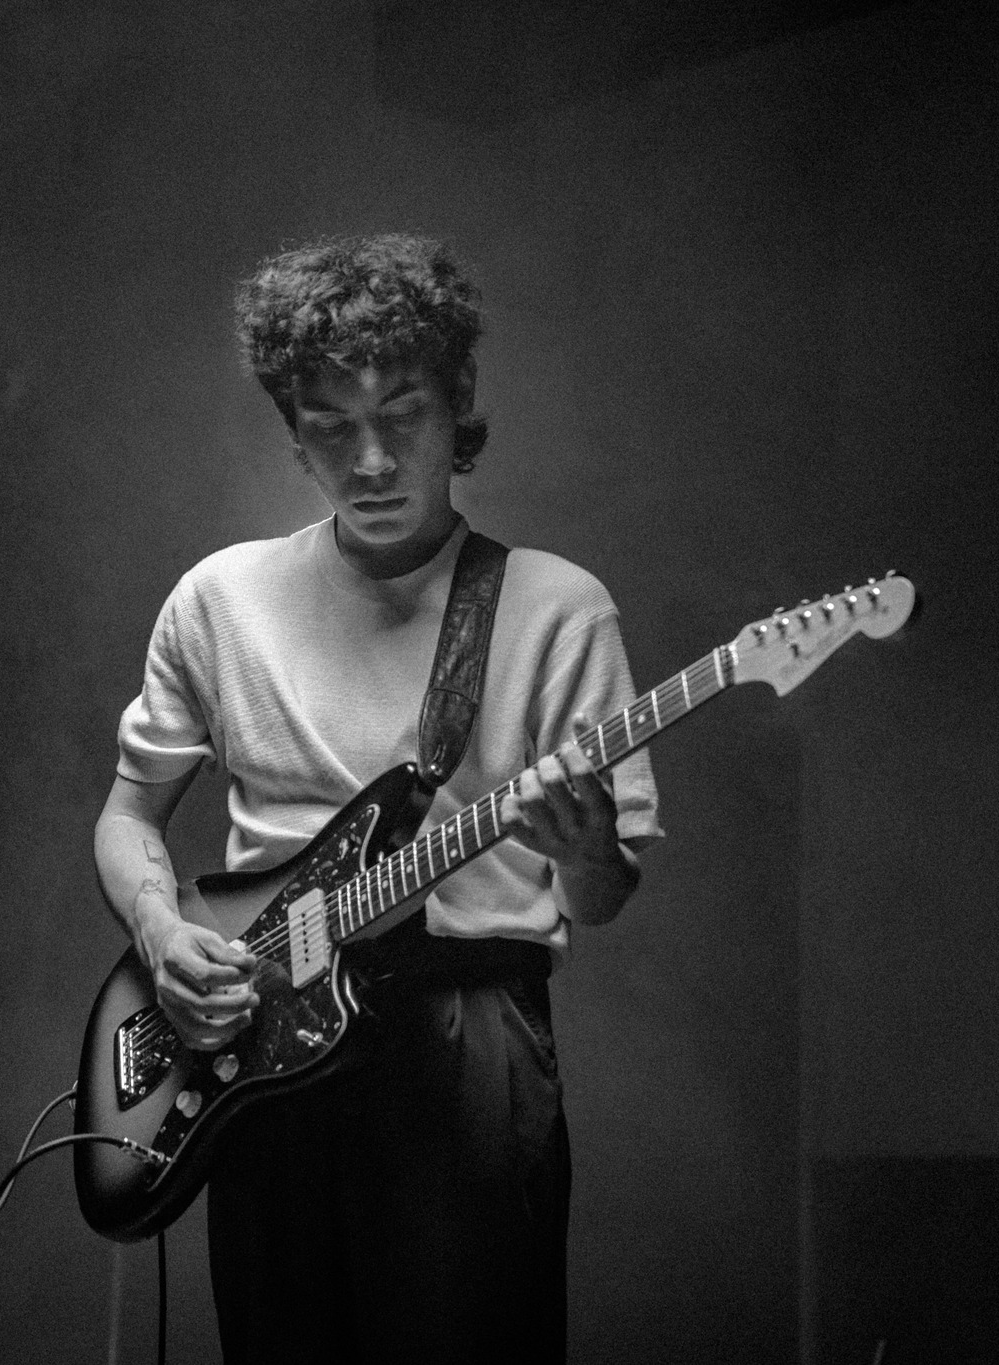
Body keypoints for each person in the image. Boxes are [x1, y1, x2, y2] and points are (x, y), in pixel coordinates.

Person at [92, 233, 663, 1363]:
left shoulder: (557, 608)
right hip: (259, 1042)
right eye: (329, 426)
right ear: (291, 433)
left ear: (457, 402)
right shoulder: (219, 599)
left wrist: (585, 846)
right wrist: (161, 937)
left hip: (469, 1036)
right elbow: (126, 816)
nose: (369, 461)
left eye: (402, 415)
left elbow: (598, 897)